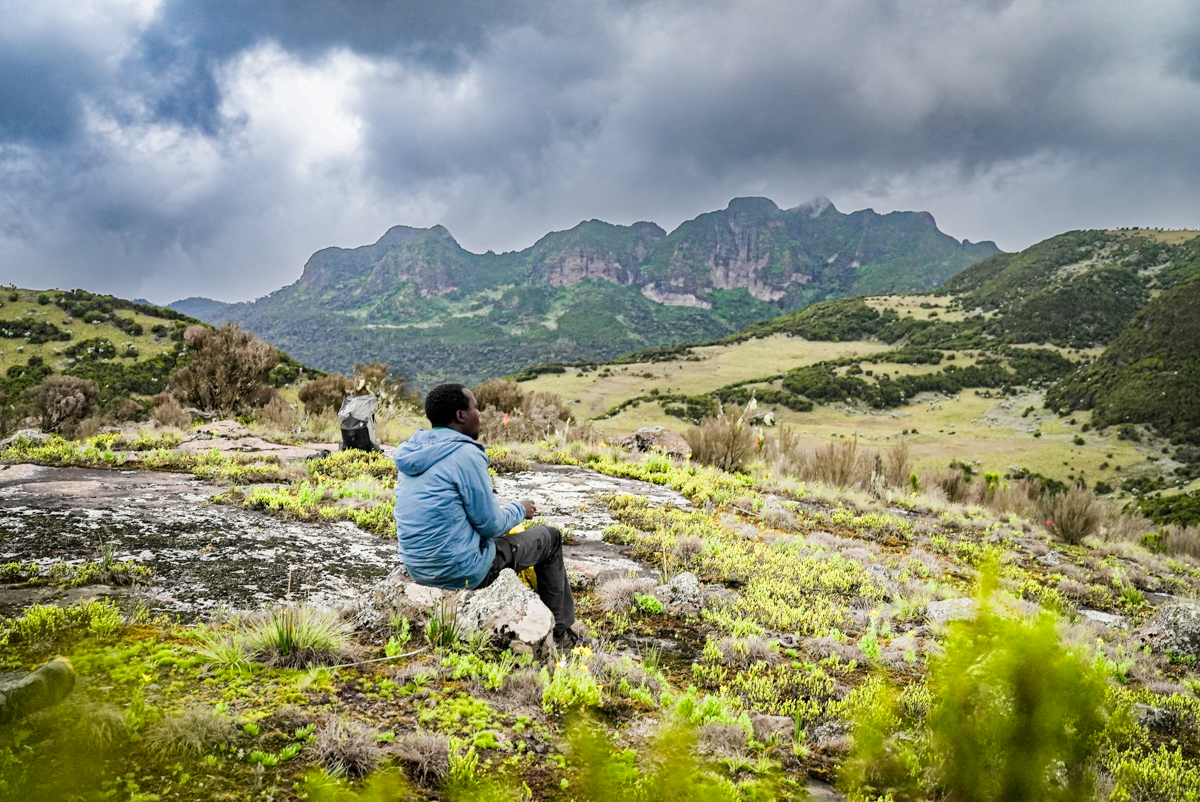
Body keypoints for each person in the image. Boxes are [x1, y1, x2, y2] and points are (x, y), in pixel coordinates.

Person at [392, 383, 581, 648]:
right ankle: (560, 636)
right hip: (463, 571)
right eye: (476, 408)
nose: (480, 415)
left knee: (508, 534)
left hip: (417, 567)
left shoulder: (412, 452)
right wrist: (519, 509)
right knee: (550, 538)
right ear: (460, 416)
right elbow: (490, 525)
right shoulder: (465, 453)